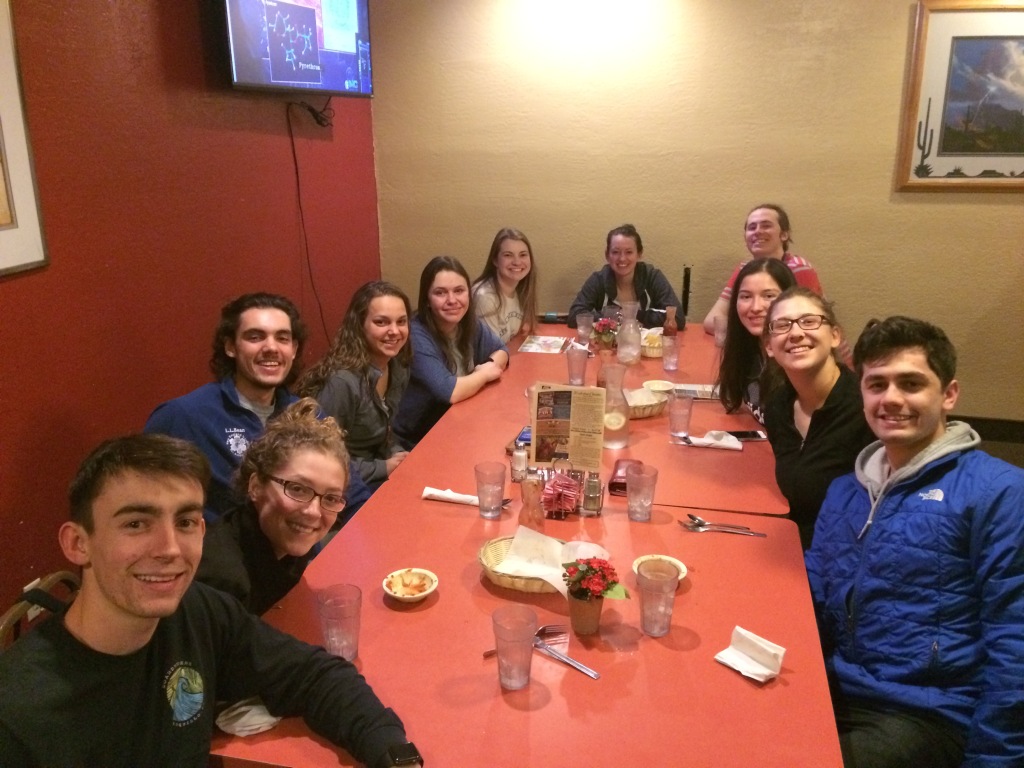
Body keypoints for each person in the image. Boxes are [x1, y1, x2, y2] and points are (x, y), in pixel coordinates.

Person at [0, 434, 422, 768]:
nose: (169, 548)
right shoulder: (18, 715)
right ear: (78, 544)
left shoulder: (199, 611)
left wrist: (396, 755)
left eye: (184, 521)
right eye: (135, 523)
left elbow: (313, 676)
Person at [806, 316, 1024, 768]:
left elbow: (1015, 640)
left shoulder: (998, 492)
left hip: (927, 713)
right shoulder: (847, 491)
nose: (891, 399)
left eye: (910, 383)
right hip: (831, 690)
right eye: (877, 384)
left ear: (948, 394)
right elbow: (814, 590)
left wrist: (993, 761)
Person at [143, 292, 371, 521]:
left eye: (282, 338)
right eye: (255, 337)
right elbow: (146, 501)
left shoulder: (309, 415)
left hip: (303, 549)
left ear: (293, 349)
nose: (271, 347)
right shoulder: (184, 416)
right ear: (231, 347)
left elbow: (353, 496)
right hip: (227, 552)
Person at [196, 398, 349, 614]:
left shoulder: (284, 541)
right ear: (256, 486)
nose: (313, 512)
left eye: (331, 498)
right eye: (297, 489)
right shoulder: (223, 581)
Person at [761, 287, 874, 549]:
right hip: (793, 545)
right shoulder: (778, 407)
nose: (796, 333)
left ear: (835, 336)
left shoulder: (868, 408)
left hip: (847, 557)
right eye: (782, 325)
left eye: (809, 321)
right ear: (769, 346)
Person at [296, 281, 412, 488]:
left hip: (379, 469)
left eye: (401, 322)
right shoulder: (342, 382)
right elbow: (318, 454)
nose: (394, 331)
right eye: (381, 322)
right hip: (343, 484)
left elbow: (386, 432)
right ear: (359, 325)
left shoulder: (398, 367)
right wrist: (383, 467)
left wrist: (397, 455)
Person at [393, 256, 509, 448]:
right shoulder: (416, 334)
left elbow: (501, 350)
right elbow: (450, 391)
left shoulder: (468, 323)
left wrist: (488, 365)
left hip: (455, 424)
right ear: (427, 300)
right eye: (440, 293)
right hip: (416, 439)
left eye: (459, 291)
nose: (452, 300)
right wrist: (484, 374)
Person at [703, 204, 822, 334]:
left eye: (766, 226)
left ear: (784, 235)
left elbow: (811, 326)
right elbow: (711, 320)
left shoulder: (799, 268)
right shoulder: (746, 269)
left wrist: (748, 328)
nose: (757, 231)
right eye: (752, 227)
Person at [716, 258, 796, 423]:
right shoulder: (748, 349)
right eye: (746, 297)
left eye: (768, 296)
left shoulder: (797, 361)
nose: (755, 307)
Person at [567, 223, 681, 329]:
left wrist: (632, 315)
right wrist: (613, 315)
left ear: (639, 254)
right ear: (607, 255)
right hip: (607, 347)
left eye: (629, 252)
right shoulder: (599, 279)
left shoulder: (652, 276)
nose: (622, 258)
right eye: (615, 252)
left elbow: (677, 318)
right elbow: (574, 317)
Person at [472, 227, 538, 343]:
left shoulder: (520, 290)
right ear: (495, 260)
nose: (517, 262)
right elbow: (490, 352)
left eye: (523, 255)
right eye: (508, 255)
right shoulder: (486, 298)